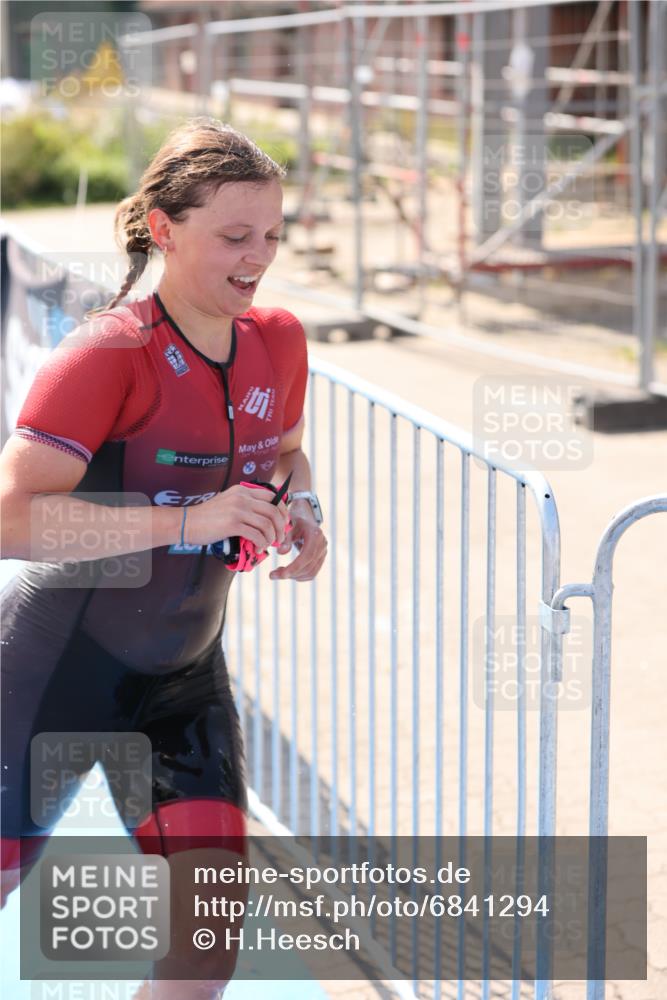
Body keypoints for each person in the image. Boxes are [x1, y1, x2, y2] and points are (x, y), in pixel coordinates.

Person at [0, 117, 327, 998]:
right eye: (233, 236)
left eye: (270, 235)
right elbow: (11, 520)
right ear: (164, 225)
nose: (257, 258)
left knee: (204, 950)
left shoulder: (279, 339)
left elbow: (286, 452)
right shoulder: (110, 353)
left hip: (182, 680)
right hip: (51, 673)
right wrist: (185, 523)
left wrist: (303, 509)